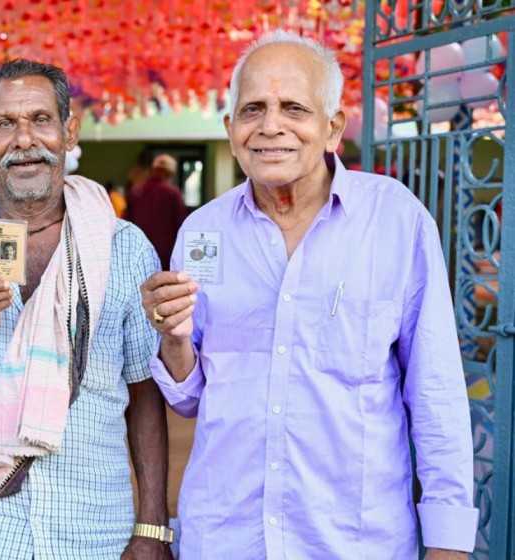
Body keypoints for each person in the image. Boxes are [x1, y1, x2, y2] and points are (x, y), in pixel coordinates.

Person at [141, 31, 476, 559]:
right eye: (253, 109)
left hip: (353, 542)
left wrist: (449, 543)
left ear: (332, 128)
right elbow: (189, 399)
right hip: (228, 538)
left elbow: (436, 393)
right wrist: (175, 340)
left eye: (293, 107)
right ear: (231, 131)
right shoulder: (203, 232)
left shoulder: (395, 220)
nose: (271, 126)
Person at [0, 59, 173, 560]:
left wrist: (152, 527)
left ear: (69, 132)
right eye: (6, 124)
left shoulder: (123, 246)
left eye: (41, 120)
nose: (24, 139)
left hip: (96, 528)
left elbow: (144, 393)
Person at [125, 152, 188, 268]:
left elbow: (126, 223)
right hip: (166, 255)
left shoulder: (136, 191)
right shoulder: (173, 193)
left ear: (153, 170)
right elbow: (182, 225)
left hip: (138, 252)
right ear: (170, 173)